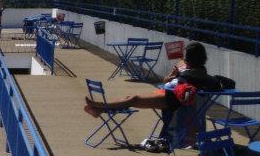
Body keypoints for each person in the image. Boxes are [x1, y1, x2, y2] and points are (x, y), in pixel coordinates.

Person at [83, 42, 222, 118]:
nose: (183, 59)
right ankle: (99, 110)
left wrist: (177, 76)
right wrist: (174, 74)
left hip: (171, 99)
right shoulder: (191, 70)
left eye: (185, 57)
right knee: (130, 98)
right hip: (166, 92)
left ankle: (100, 105)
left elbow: (211, 83)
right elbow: (168, 80)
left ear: (191, 58)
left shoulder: (197, 73)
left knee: (133, 99)